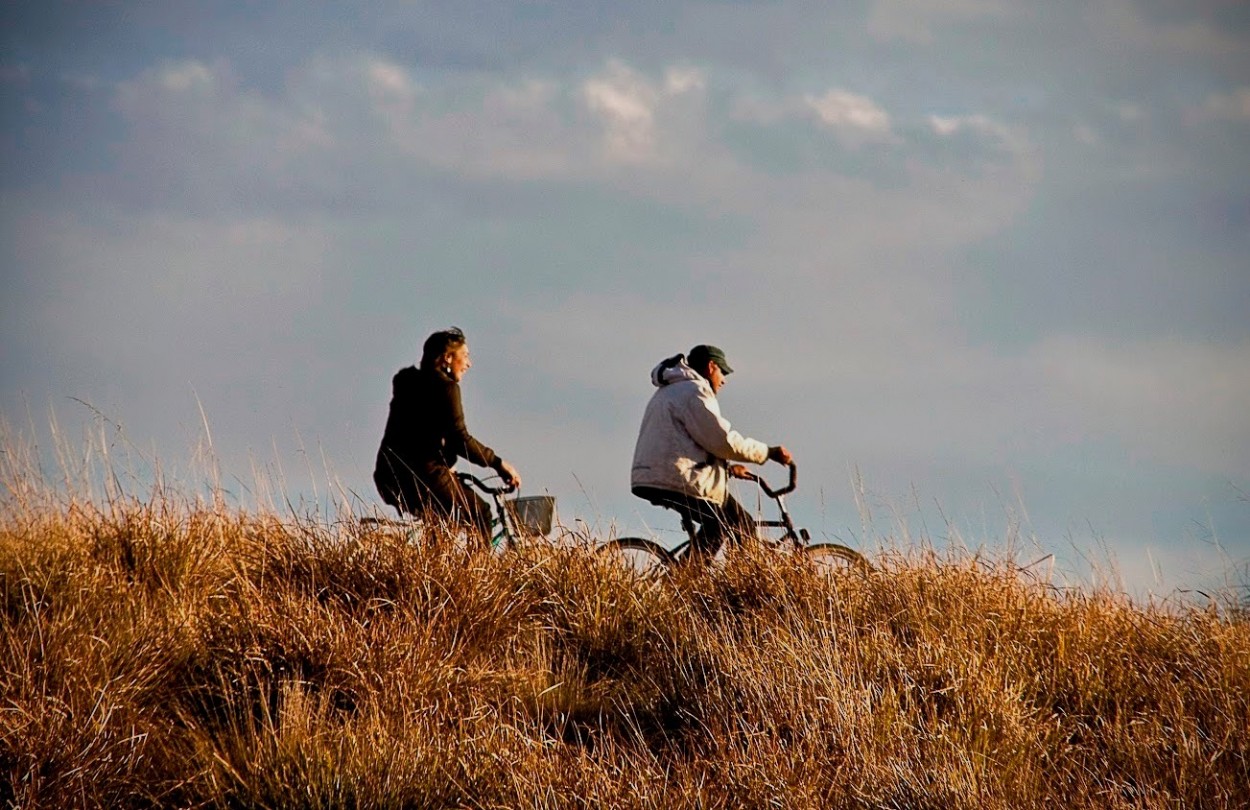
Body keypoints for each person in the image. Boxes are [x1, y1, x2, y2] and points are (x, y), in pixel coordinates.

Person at [630, 344, 793, 564]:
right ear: (710, 366)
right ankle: (689, 582)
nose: (723, 380)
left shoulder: (672, 389)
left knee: (740, 522)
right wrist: (768, 452)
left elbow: (685, 444)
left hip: (658, 474)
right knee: (722, 524)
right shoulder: (694, 391)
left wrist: (725, 469)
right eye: (722, 373)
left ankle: (733, 576)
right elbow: (722, 441)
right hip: (673, 478)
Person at [373, 326, 521, 545]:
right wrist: (498, 464)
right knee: (481, 514)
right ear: (448, 358)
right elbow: (460, 438)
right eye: (465, 356)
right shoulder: (446, 388)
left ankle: (433, 568)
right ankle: (476, 576)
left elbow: (417, 431)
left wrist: (446, 461)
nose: (469, 363)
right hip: (425, 475)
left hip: (389, 474)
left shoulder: (407, 383)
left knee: (443, 526)